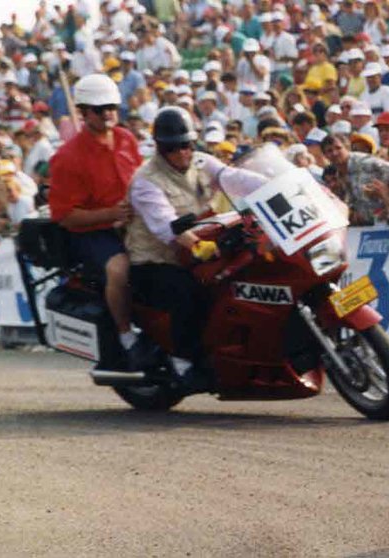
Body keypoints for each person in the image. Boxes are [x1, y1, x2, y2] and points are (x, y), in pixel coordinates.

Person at [125, 107, 267, 388]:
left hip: (200, 253)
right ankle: (183, 361)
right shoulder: (146, 181)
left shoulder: (203, 162)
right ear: (160, 148)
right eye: (173, 148)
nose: (182, 153)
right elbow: (165, 225)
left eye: (187, 145)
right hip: (156, 261)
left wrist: (284, 183)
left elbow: (236, 178)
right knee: (188, 293)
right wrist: (197, 245)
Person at [49, 73, 155, 371]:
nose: (108, 113)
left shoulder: (126, 139)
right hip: (91, 232)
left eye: (111, 107)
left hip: (132, 222)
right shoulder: (67, 157)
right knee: (119, 268)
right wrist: (111, 214)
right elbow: (65, 216)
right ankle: (126, 337)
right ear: (83, 112)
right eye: (99, 109)